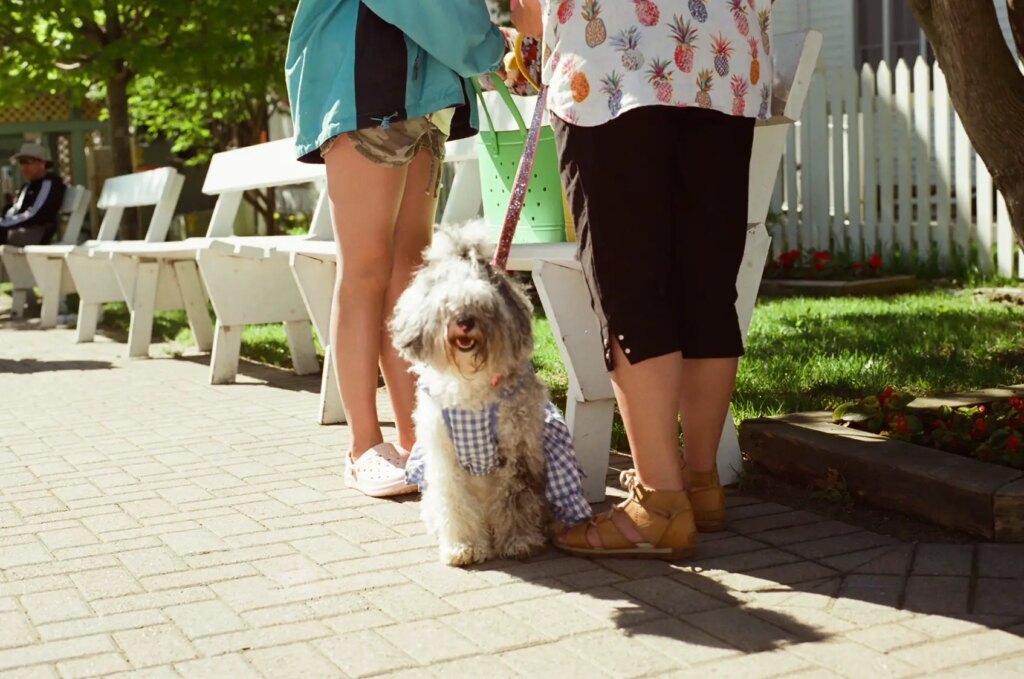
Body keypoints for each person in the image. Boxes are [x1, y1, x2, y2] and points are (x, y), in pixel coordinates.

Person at [512, 0, 775, 558]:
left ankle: (658, 505)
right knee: (707, 285)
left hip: (612, 56)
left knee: (634, 286)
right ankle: (701, 485)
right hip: (723, 51)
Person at [285, 0, 505, 497]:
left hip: (422, 93)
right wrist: (490, 47)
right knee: (366, 267)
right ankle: (363, 445)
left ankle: (415, 439)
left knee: (410, 271)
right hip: (366, 83)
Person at [0, 142, 66, 247]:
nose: (24, 166)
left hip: (37, 231)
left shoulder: (48, 183)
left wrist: (4, 223)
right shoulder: (28, 185)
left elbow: (34, 214)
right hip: (21, 229)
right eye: (22, 162)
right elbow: (15, 211)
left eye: (28, 162)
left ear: (42, 164)